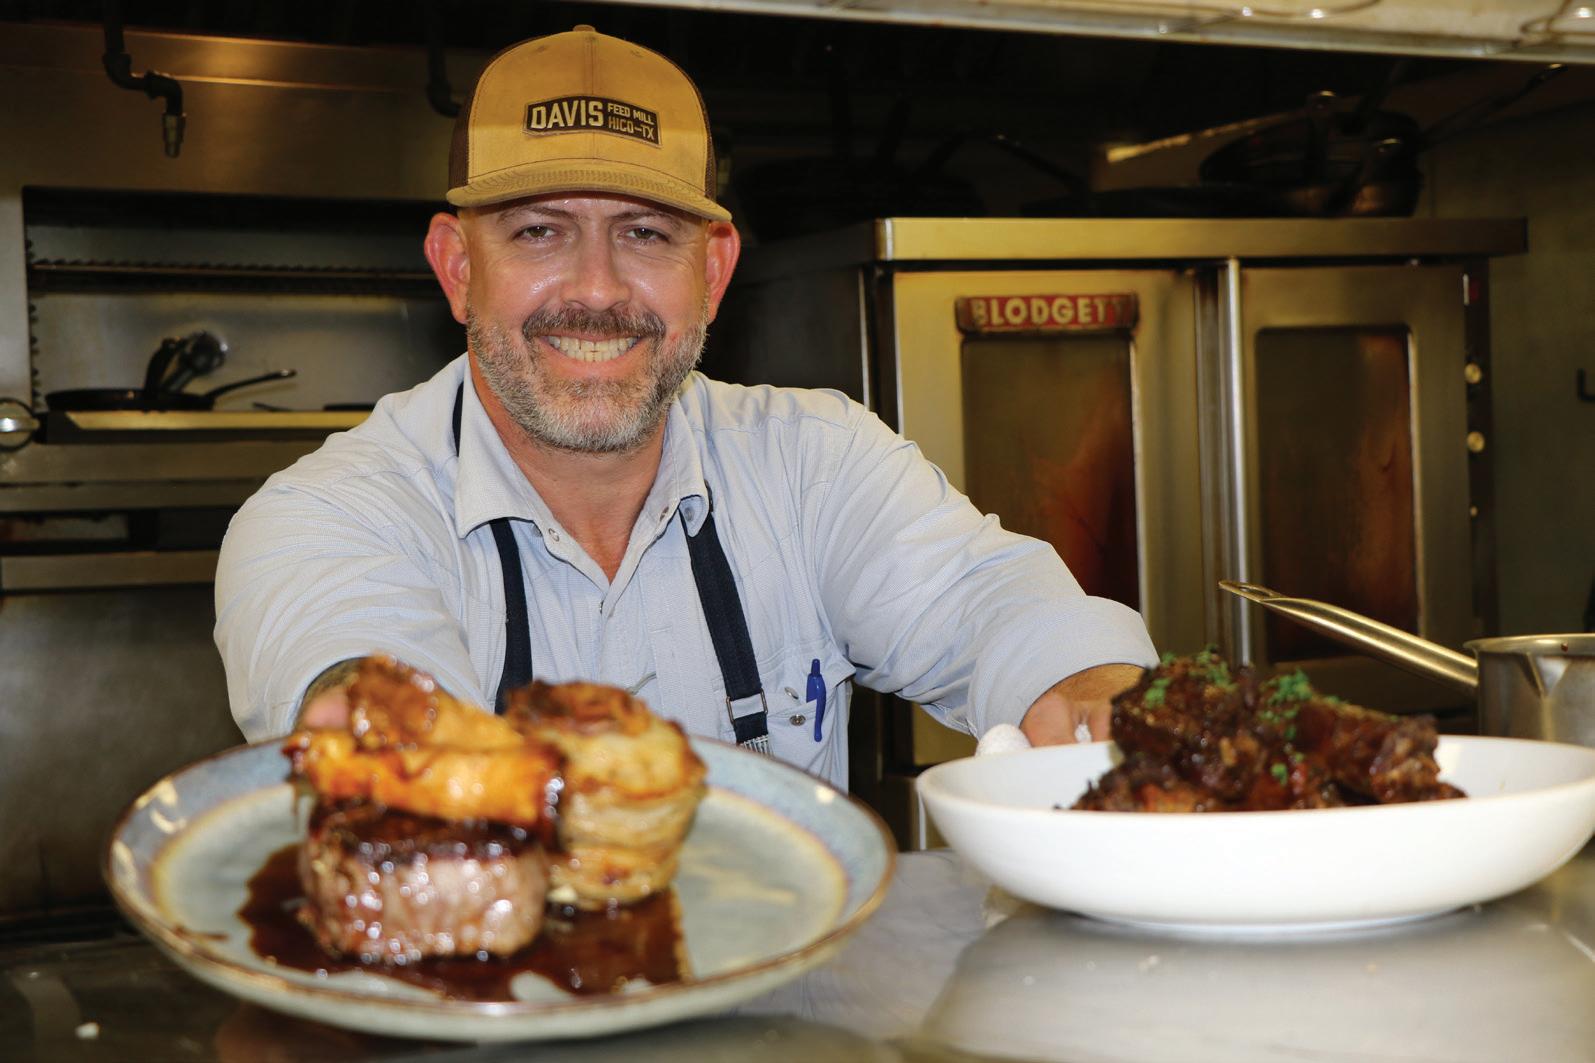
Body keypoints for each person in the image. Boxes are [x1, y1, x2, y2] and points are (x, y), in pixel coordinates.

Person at [213, 25, 1156, 788]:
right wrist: (371, 723)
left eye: (645, 233)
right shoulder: (328, 514)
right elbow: (363, 679)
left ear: (713, 270)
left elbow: (993, 606)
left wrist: (1087, 690)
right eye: (538, 231)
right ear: (458, 268)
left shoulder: (815, 464)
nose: (596, 288)